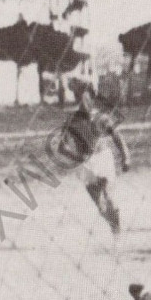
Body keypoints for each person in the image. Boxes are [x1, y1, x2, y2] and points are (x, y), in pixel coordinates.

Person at [57, 87, 130, 233]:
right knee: (101, 207)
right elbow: (62, 147)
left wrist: (126, 157)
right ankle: (115, 226)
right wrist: (78, 157)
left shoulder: (101, 118)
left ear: (92, 99)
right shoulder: (72, 120)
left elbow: (117, 137)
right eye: (80, 97)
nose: (84, 101)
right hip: (86, 165)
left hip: (103, 159)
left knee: (108, 197)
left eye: (87, 97)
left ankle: (117, 229)